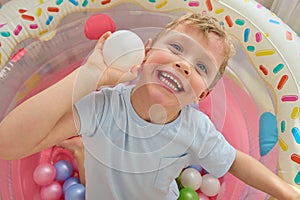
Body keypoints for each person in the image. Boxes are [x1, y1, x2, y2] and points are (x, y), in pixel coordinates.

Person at [0, 13, 299, 200]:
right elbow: (8, 144)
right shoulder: (103, 106)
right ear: (144, 53)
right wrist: (87, 76)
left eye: (201, 67)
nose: (183, 64)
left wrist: (285, 191)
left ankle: (81, 149)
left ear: (201, 96)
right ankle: (82, 149)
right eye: (177, 47)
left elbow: (235, 160)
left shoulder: (194, 129)